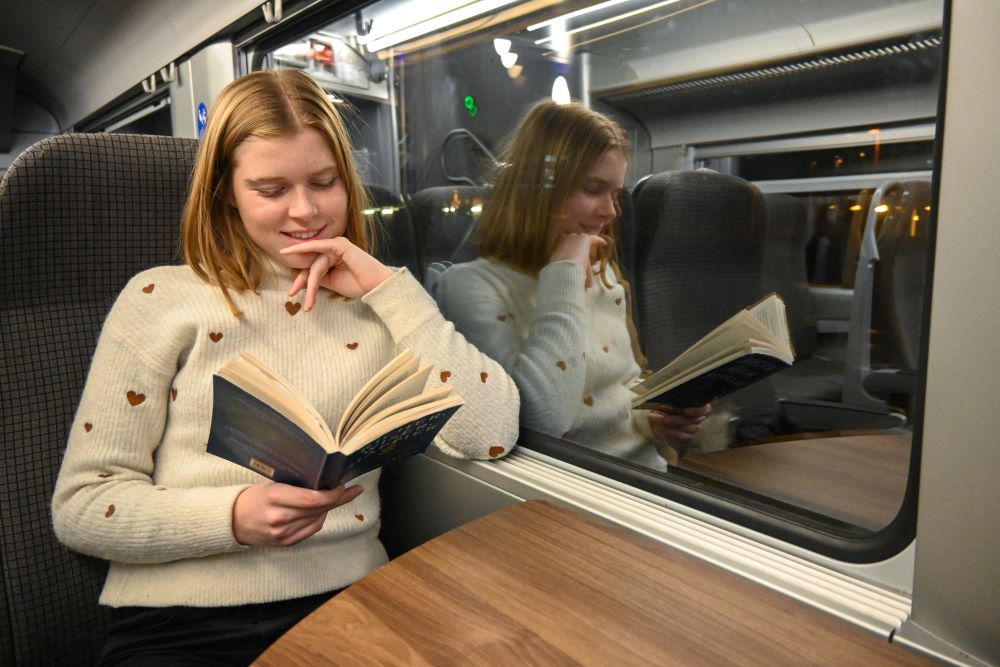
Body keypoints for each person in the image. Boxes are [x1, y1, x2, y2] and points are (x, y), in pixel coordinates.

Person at [51, 69, 519, 665]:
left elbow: (494, 434)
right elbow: (83, 507)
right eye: (271, 190)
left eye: (325, 183)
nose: (306, 212)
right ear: (225, 191)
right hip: (181, 623)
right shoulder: (161, 299)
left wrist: (387, 289)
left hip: (354, 601)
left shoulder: (381, 308)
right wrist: (233, 517)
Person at [435, 101, 710, 471]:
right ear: (537, 192)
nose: (610, 212)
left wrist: (652, 423)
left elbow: (613, 397)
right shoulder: (470, 287)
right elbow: (543, 422)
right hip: (576, 487)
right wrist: (563, 275)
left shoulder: (603, 275)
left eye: (614, 194)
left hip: (645, 475)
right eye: (593, 189)